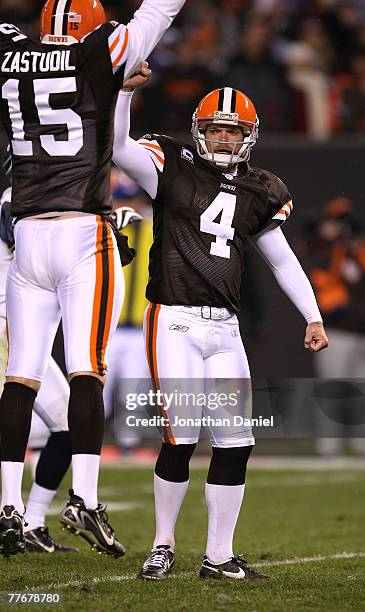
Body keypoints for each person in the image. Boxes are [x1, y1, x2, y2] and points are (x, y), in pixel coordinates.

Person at [113, 79, 328, 580]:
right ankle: (163, 544)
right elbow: (120, 145)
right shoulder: (172, 165)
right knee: (182, 433)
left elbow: (281, 260)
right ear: (197, 131)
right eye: (214, 129)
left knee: (236, 440)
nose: (224, 139)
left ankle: (219, 555)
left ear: (249, 136)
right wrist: (123, 93)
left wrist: (312, 314)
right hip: (175, 319)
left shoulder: (261, 188)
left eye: (233, 132)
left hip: (225, 329)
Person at [0, 0, 186, 558]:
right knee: (87, 369)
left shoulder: (11, 51)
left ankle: (9, 505)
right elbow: (159, 11)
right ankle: (84, 497)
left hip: (27, 236)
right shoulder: (100, 51)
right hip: (84, 231)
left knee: (20, 376)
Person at [0, 170, 77, 554]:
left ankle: (30, 522)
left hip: (20, 333)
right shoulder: (18, 198)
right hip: (7, 332)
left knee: (68, 425)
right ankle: (14, 518)